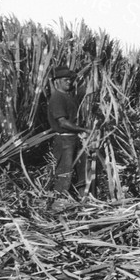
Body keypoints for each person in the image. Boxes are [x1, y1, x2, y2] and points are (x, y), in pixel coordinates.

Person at [47, 65, 91, 203]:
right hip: (65, 141)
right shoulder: (57, 98)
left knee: (82, 169)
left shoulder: (68, 96)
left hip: (74, 139)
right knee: (64, 172)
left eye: (70, 80)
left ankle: (84, 200)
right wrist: (84, 130)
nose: (69, 82)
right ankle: (59, 203)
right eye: (66, 80)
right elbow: (63, 123)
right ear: (57, 81)